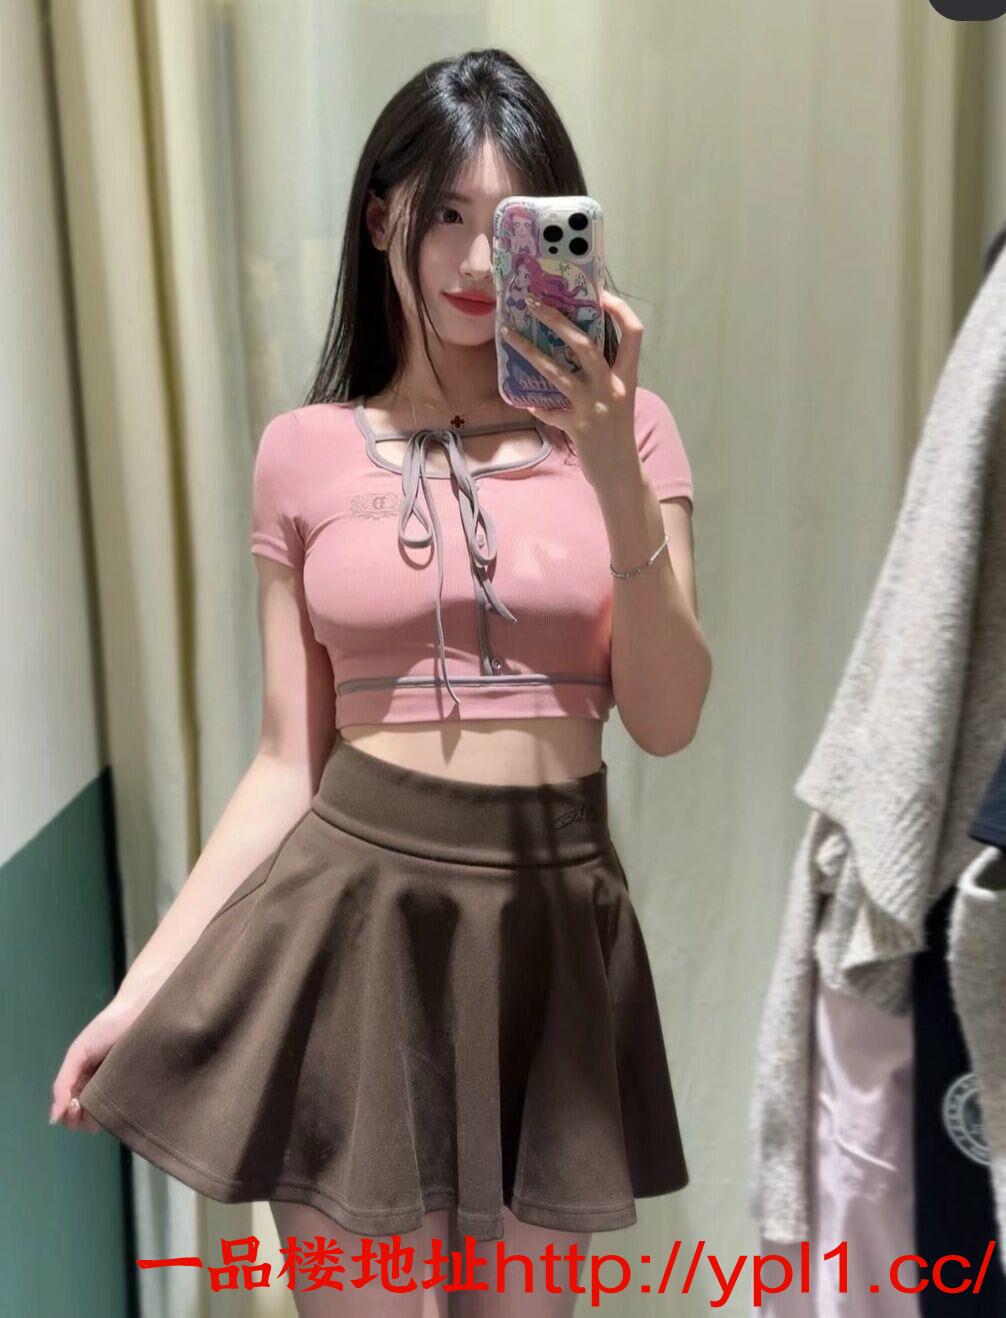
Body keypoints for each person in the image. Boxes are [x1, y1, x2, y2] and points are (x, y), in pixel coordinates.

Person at [51, 47, 712, 1317]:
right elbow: (284, 761)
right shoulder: (304, 452)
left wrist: (611, 466)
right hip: (346, 932)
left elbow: (669, 717)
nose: (474, 263)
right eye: (444, 214)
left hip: (550, 936)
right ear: (379, 218)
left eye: (508, 224)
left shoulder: (632, 434)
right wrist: (143, 988)